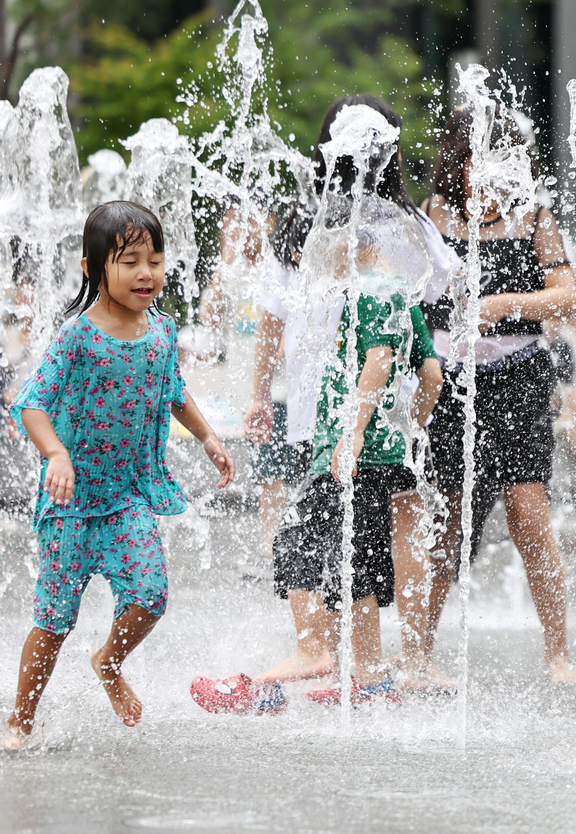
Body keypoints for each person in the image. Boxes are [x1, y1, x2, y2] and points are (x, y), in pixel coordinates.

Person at [190, 95, 451, 713]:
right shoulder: (411, 229)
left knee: (331, 532)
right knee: (379, 531)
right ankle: (386, 661)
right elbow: (436, 308)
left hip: (340, 411)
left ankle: (330, 654)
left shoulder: (320, 226)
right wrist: (418, 419)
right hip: (379, 414)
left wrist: (264, 395)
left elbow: (279, 319)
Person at [2, 201, 235, 750]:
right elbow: (31, 405)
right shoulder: (76, 337)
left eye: (155, 259)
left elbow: (173, 389)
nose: (147, 273)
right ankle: (21, 718)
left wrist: (206, 437)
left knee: (150, 596)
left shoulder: (160, 330)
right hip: (71, 505)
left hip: (129, 498)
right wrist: (56, 454)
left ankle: (109, 661)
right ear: (93, 268)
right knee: (54, 620)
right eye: (130, 261)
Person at [419, 107, 576, 684]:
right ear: (456, 166)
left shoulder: (533, 217)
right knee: (445, 518)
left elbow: (568, 297)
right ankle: (418, 654)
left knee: (528, 513)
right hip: (447, 382)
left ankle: (558, 653)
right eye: (475, 165)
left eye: (501, 165)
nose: (488, 179)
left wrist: (504, 307)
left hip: (518, 375)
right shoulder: (432, 216)